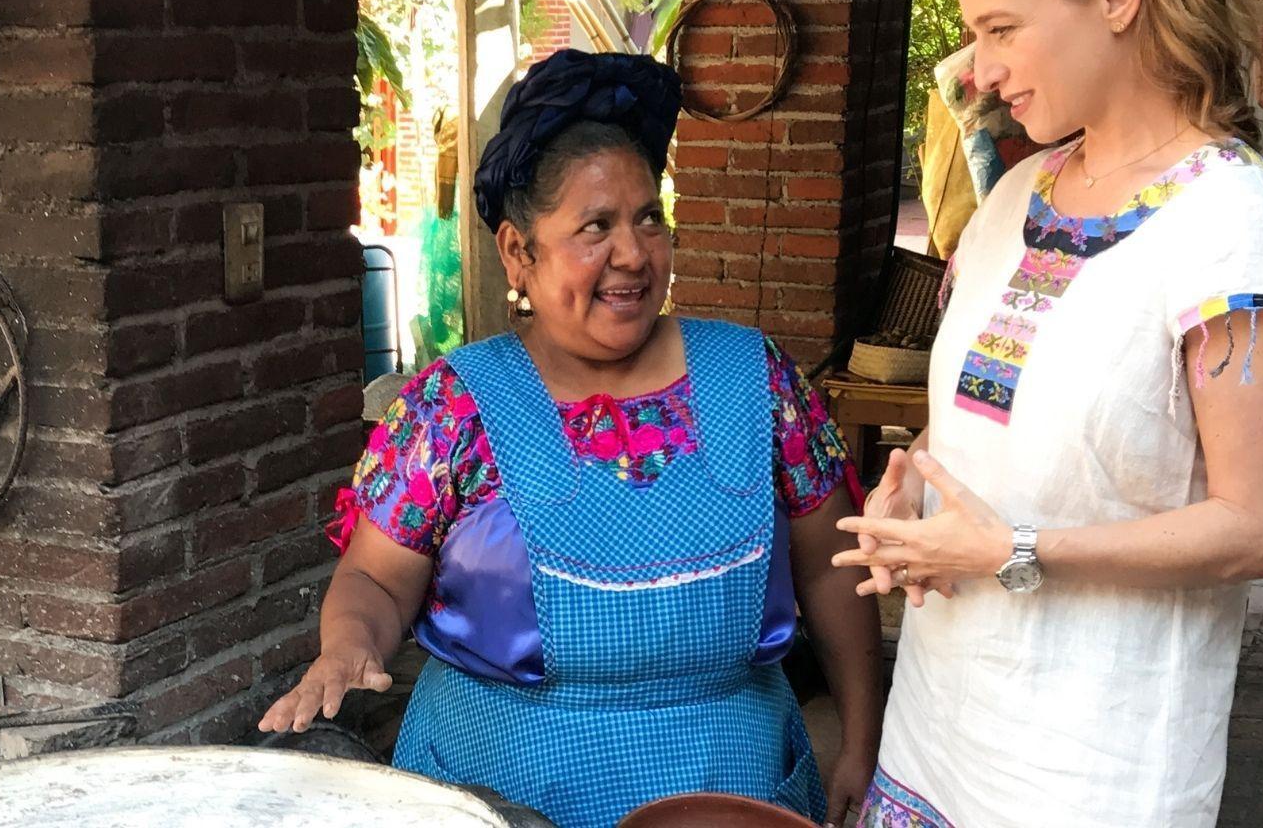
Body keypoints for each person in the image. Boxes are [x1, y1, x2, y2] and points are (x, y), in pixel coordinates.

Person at [832, 0, 1263, 827]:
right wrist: (915, 492)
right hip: (939, 729)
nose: (978, 70)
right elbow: (1002, 425)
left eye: (1001, 29)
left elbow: (1258, 526)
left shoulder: (1236, 235)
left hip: (1090, 768)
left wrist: (1013, 548)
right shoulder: (1015, 198)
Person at [261, 50, 883, 828]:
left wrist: (863, 740)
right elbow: (377, 580)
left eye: (649, 218)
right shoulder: (451, 410)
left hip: (730, 792)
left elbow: (831, 567)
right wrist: (348, 645)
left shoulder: (755, 380)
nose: (634, 254)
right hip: (497, 795)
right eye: (596, 227)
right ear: (517, 251)